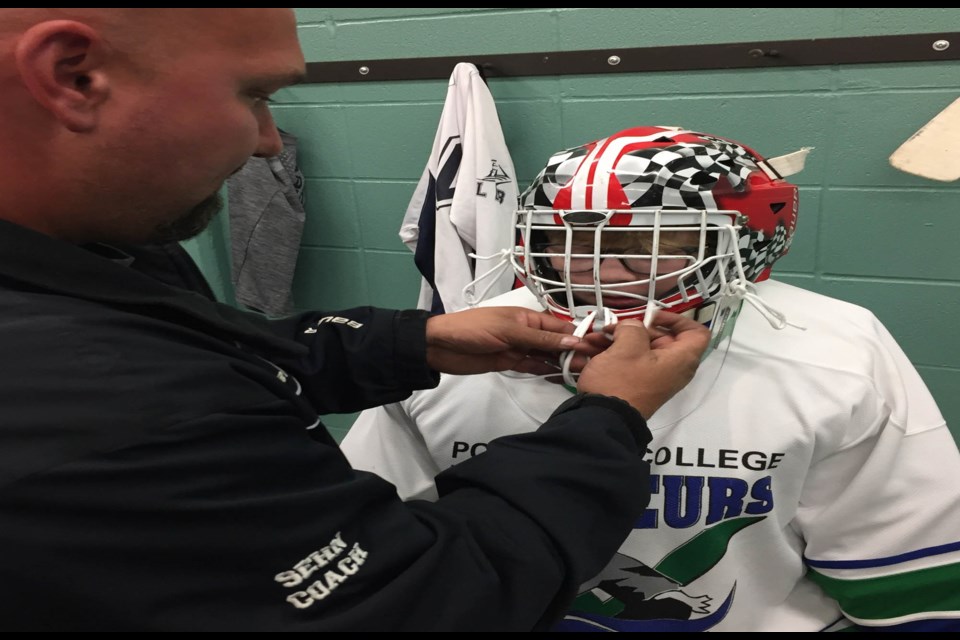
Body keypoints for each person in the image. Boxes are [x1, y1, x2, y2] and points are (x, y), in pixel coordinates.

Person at [0, 11, 714, 632]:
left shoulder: (91, 250)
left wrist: (411, 340)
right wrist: (611, 417)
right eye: (253, 94)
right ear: (72, 75)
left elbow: (199, 353)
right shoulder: (103, 408)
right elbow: (427, 602)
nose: (269, 143)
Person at [343, 126, 960, 631]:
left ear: (744, 245)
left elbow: (907, 590)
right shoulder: (452, 349)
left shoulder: (833, 351)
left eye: (645, 242)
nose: (595, 270)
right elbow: (365, 558)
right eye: (566, 239)